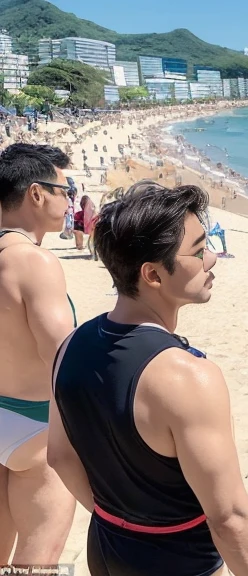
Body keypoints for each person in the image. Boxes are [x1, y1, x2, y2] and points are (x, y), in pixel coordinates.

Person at [47, 181, 248, 576]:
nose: (212, 259)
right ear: (152, 274)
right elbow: (230, 516)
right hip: (179, 558)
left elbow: (59, 456)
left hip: (106, 545)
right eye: (199, 251)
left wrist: (119, 519)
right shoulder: (188, 377)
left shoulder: (69, 347)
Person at [0, 144, 77, 566]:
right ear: (36, 194)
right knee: (37, 560)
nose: (69, 201)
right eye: (64, 191)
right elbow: (64, 358)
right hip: (32, 424)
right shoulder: (34, 261)